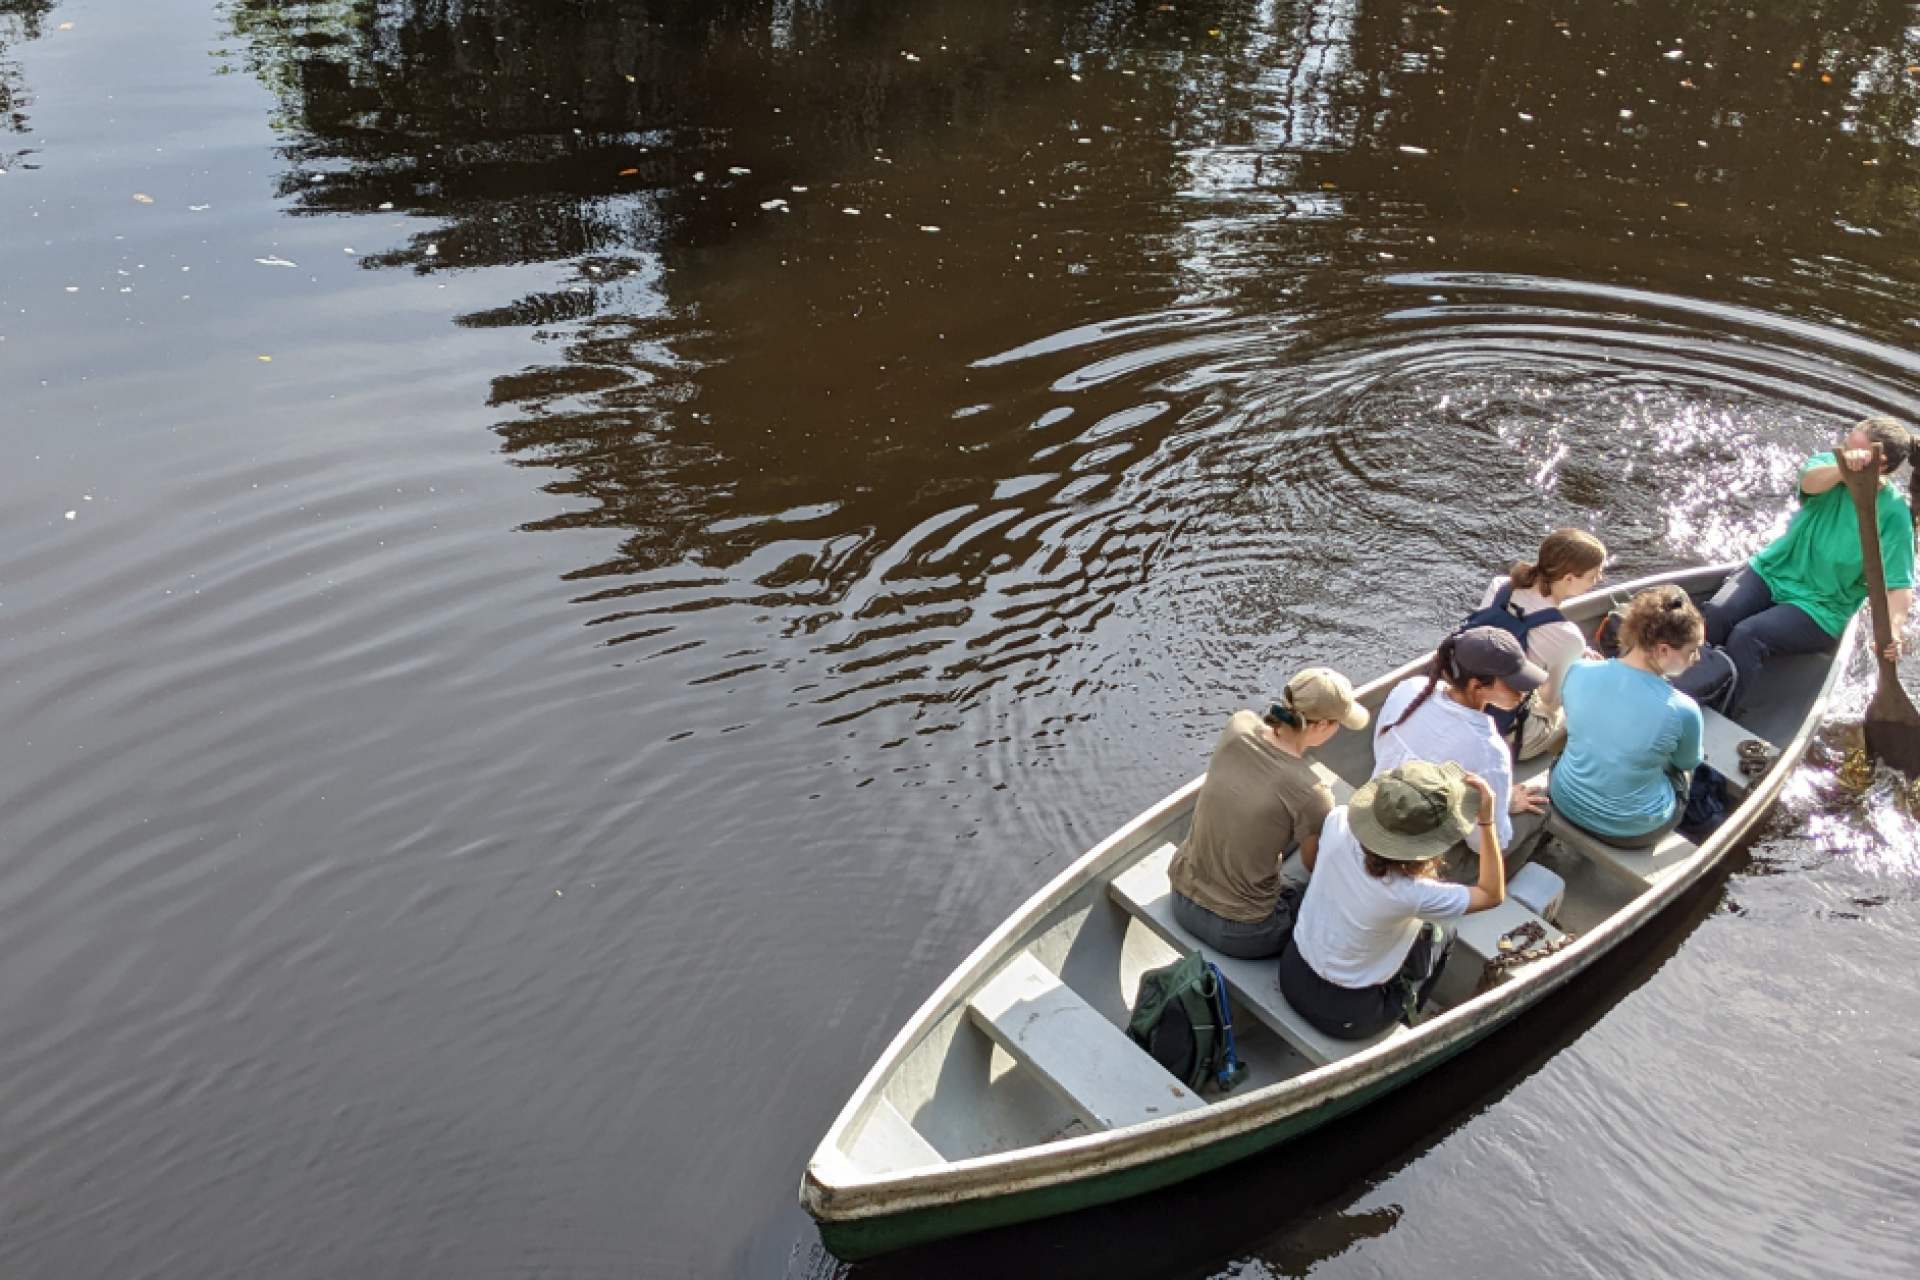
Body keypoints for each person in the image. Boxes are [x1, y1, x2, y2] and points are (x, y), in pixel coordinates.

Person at [1278, 761, 1505, 1040]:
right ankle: (1411, 1017)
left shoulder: (1338, 820)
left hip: (1292, 974)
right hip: (1349, 1016)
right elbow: (1492, 894)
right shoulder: (1414, 893)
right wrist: (1487, 821)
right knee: (1443, 933)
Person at [1705, 416, 1916, 716]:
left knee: (1747, 636)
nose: (1843, 453)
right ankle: (1687, 681)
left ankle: (1713, 712)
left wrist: (1892, 630)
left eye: (1854, 451)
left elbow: (1898, 587)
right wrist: (1844, 469)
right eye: (1845, 446)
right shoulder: (1829, 467)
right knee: (1716, 614)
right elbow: (1809, 481)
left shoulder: (1894, 515)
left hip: (1820, 606)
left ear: (1880, 463)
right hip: (1774, 570)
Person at [1167, 668, 1371, 959]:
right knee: (1324, 897)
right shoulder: (1312, 792)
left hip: (1182, 897)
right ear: (1321, 726)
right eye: (1338, 724)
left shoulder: (1238, 726)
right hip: (1243, 933)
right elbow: (1316, 864)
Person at [1550, 585, 1706, 846]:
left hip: (1564, 798)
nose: (1698, 658)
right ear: (1663, 649)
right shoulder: (1684, 710)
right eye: (1692, 650)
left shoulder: (1579, 668)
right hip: (1630, 830)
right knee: (1684, 769)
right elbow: (1686, 762)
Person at [1372, 627, 1549, 850]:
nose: (1523, 691)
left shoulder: (1408, 689)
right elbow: (1483, 844)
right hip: (1420, 853)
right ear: (1477, 685)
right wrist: (1504, 806)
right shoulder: (1488, 749)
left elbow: (1381, 750)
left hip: (1379, 810)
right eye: (1513, 683)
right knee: (1543, 810)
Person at [1471, 529, 1608, 760]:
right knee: (1586, 702)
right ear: (1568, 579)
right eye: (1593, 576)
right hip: (1504, 734)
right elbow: (1548, 700)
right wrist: (1578, 663)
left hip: (1469, 703)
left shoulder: (1500, 586)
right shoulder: (1568, 636)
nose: (1598, 581)